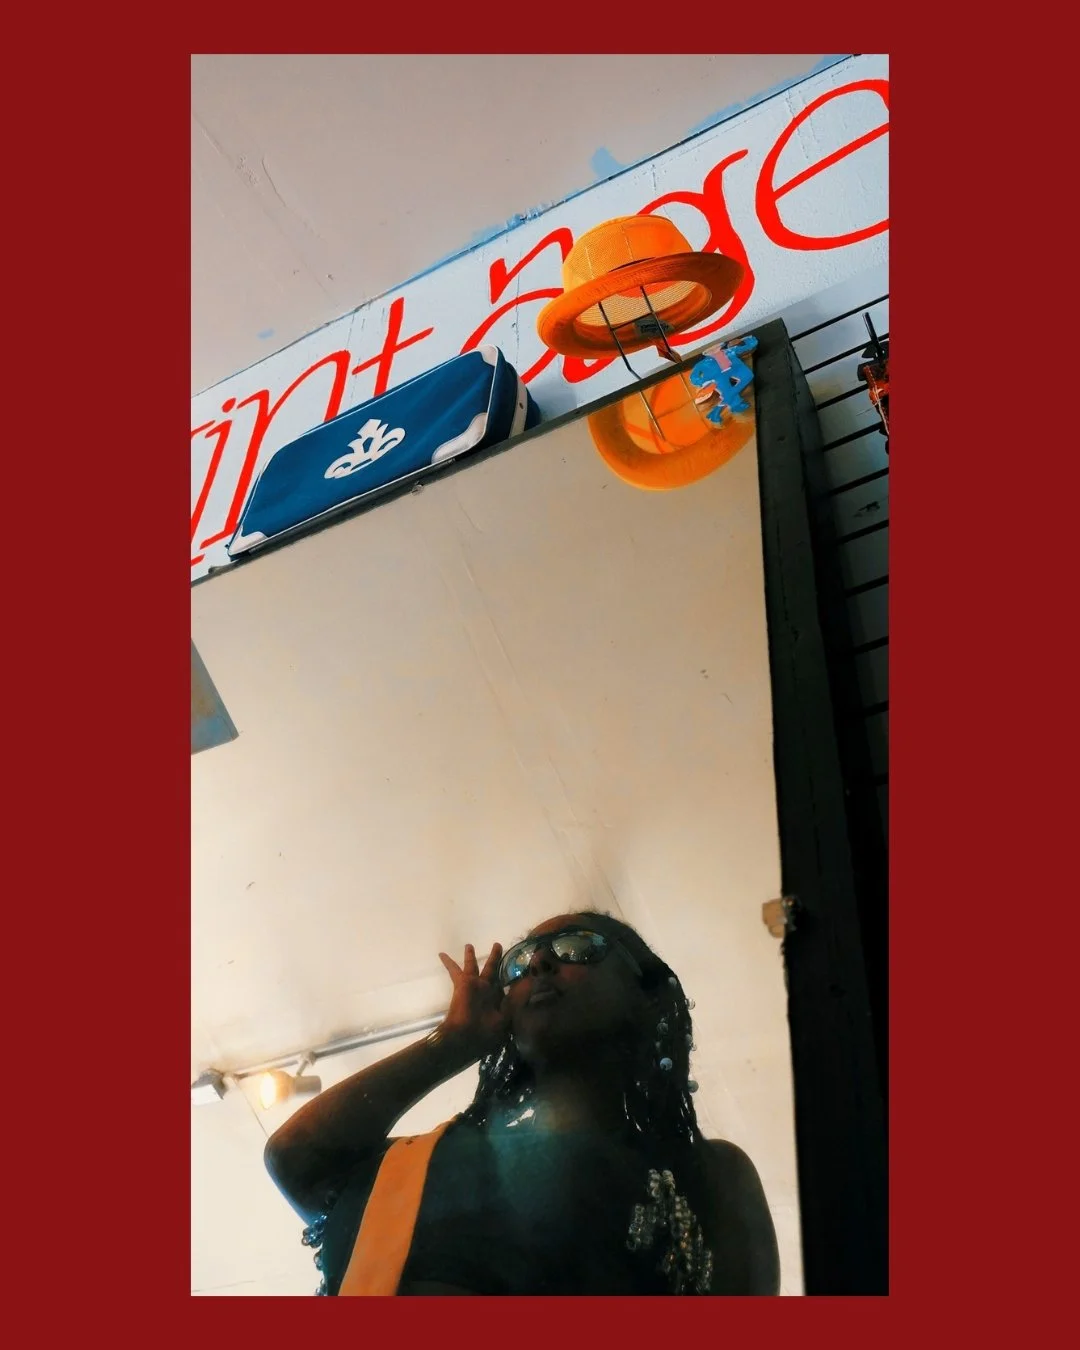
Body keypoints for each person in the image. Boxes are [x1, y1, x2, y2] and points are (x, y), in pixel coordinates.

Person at [264, 911, 780, 1295]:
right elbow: (297, 1157)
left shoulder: (707, 1175)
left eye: (577, 946)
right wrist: (451, 1044)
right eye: (519, 962)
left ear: (644, 996)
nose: (538, 961)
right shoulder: (430, 1162)